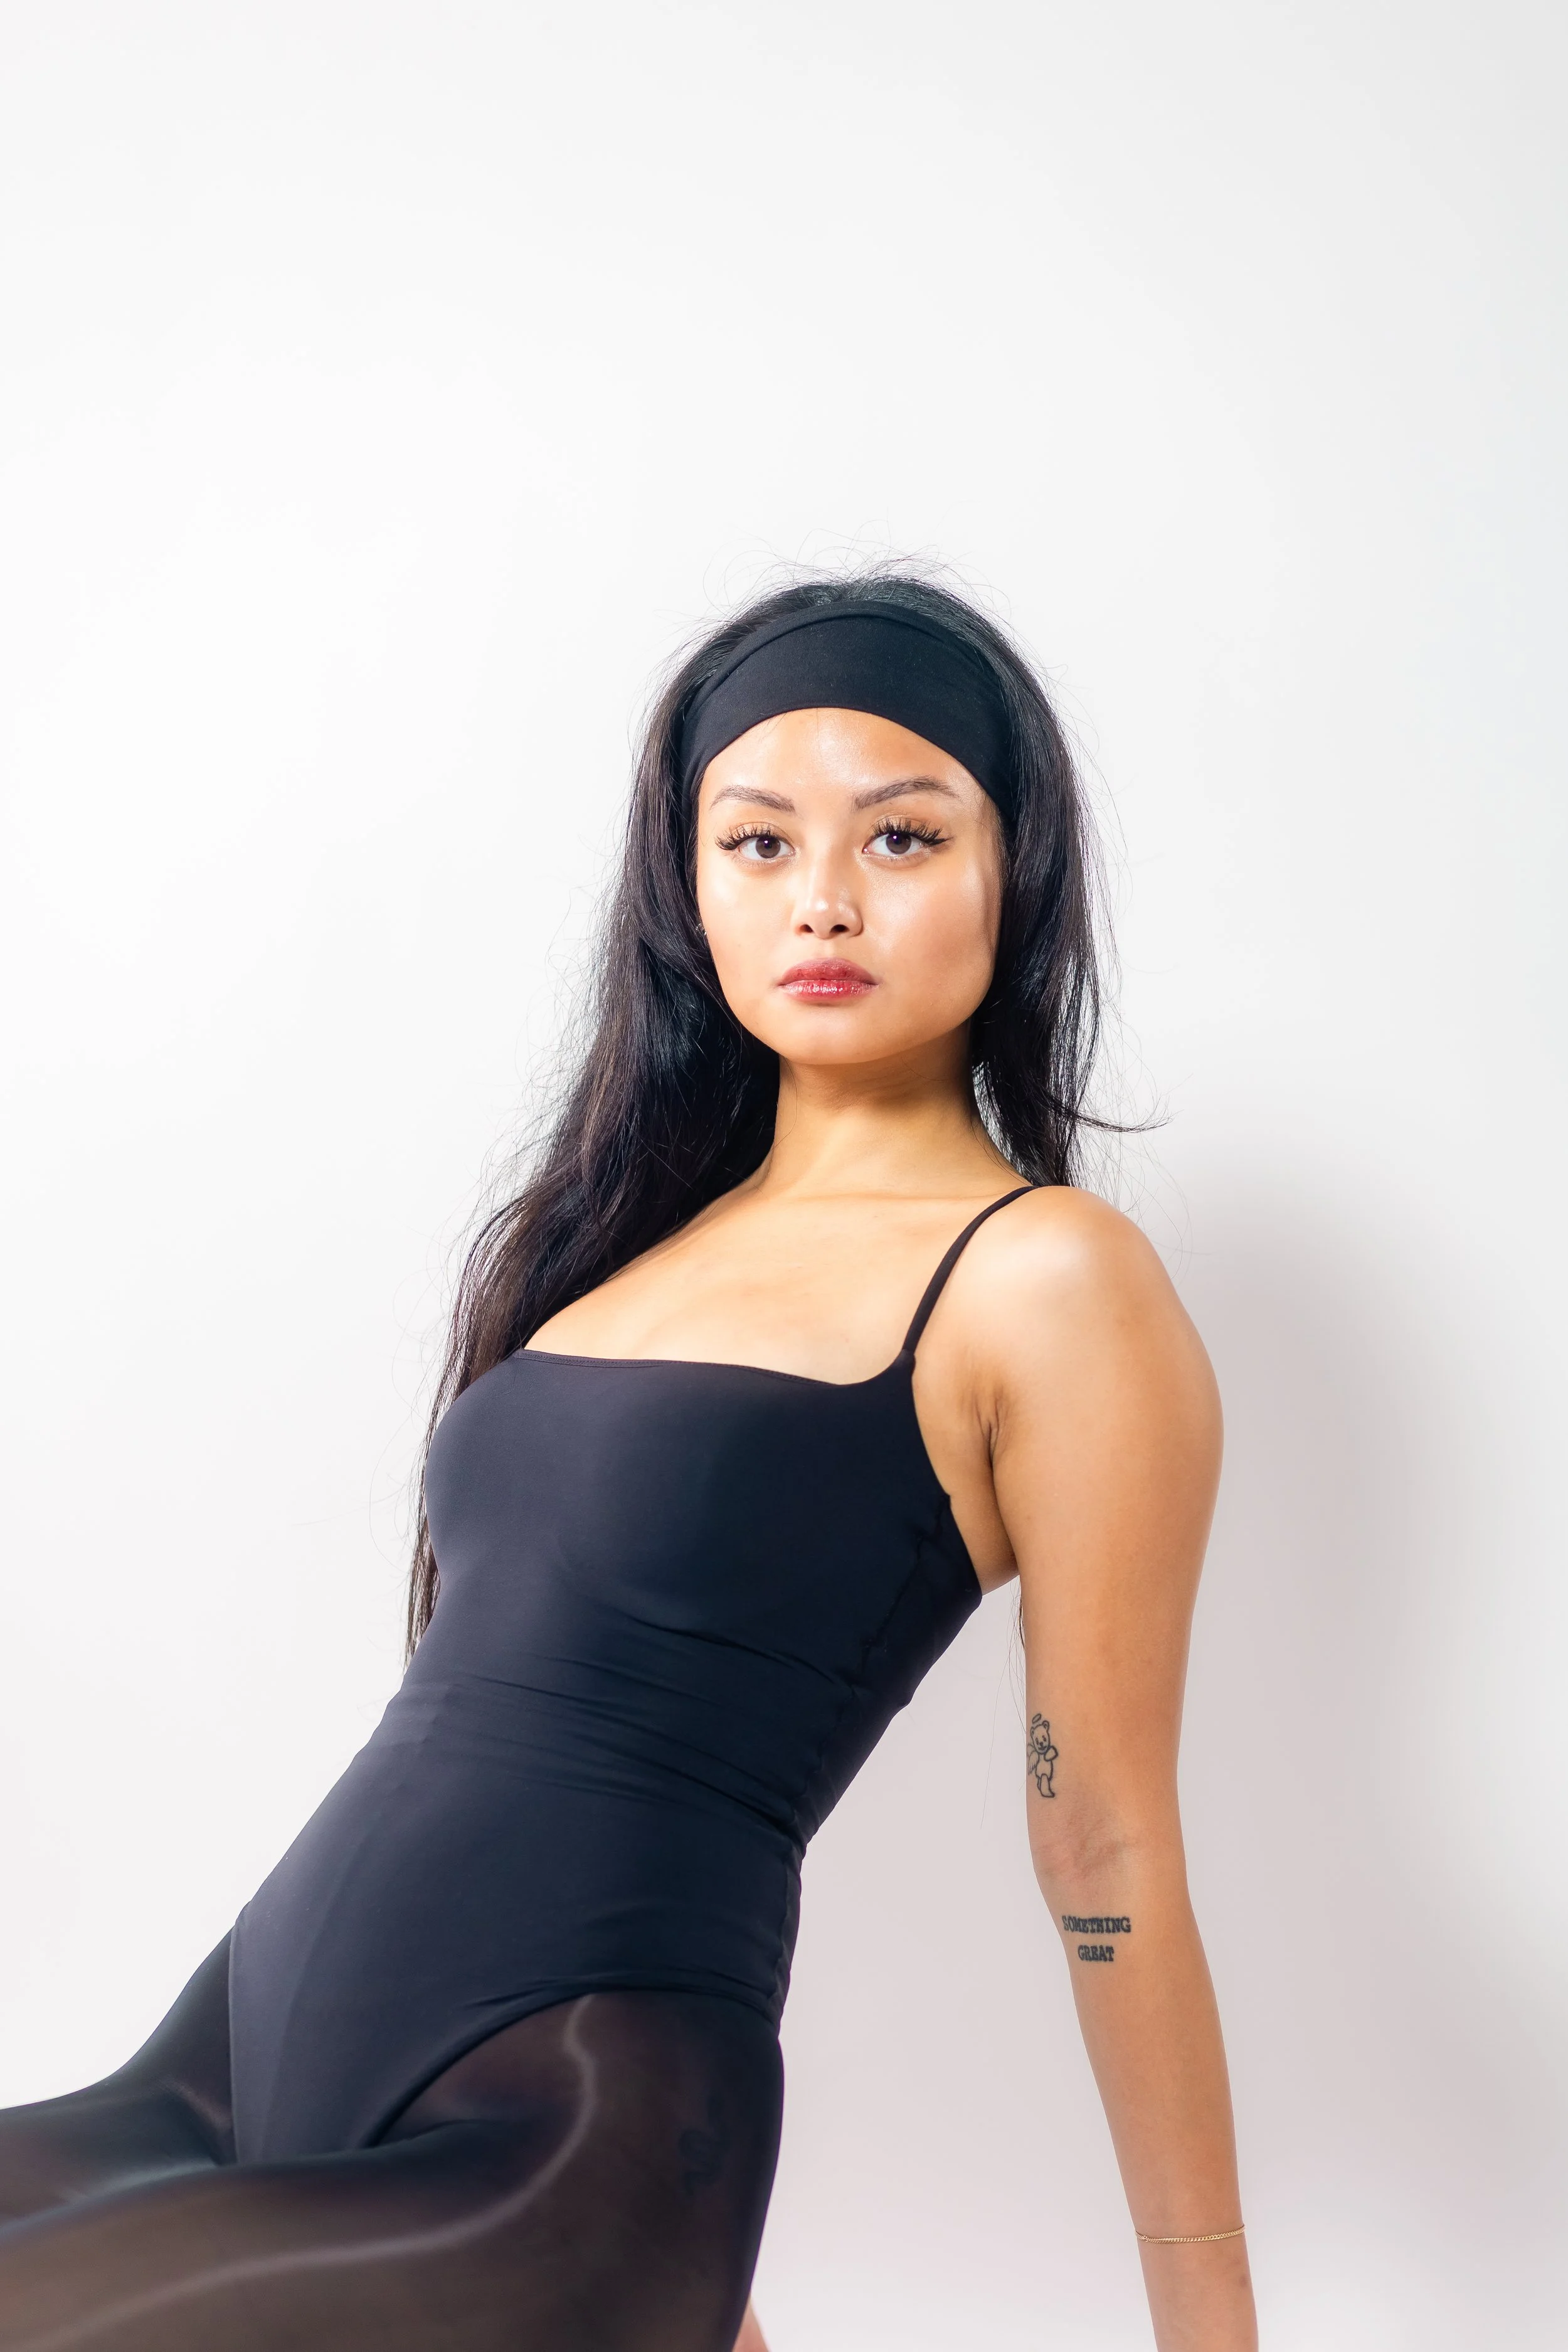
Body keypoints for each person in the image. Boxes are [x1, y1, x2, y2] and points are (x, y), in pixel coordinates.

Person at [0, 574, 1257, 2351]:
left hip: (555, 2124)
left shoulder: (1044, 1277)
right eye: (757, 841)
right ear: (687, 886)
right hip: (218, 2067)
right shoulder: (621, 1244)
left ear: (1018, 869)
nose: (823, 897)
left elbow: (1105, 1836)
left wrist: (1209, 2324)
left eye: (902, 834)